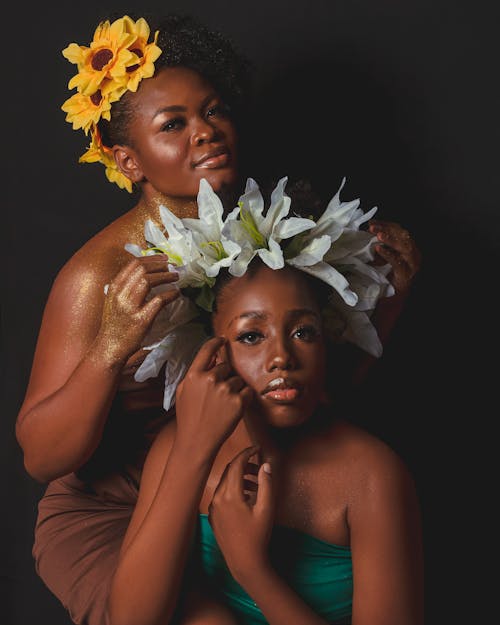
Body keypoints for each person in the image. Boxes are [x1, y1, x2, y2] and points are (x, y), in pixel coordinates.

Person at [14, 12, 421, 625]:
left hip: (217, 477)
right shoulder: (98, 276)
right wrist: (110, 348)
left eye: (214, 111)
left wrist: (387, 303)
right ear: (129, 161)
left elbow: (310, 387)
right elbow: (41, 459)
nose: (205, 132)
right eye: (174, 125)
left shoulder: (249, 234)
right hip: (115, 503)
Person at [105, 176, 424, 625]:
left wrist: (252, 569)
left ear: (327, 339)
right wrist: (192, 454)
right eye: (251, 336)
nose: (281, 357)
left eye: (303, 332)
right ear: (212, 349)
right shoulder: (178, 449)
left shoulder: (372, 477)